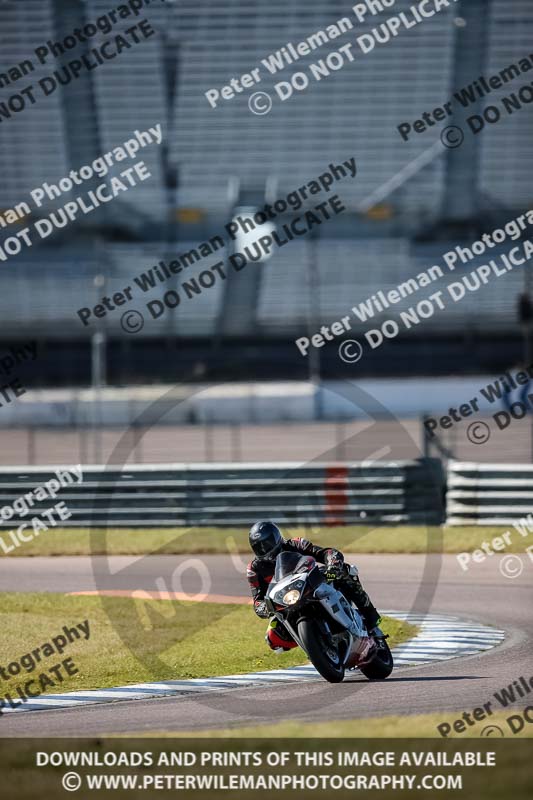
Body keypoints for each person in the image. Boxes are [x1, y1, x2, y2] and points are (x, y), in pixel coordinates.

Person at [247, 520, 384, 652]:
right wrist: (265, 607)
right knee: (272, 637)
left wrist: (333, 564)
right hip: (286, 602)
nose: (265, 549)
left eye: (267, 543)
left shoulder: (296, 544)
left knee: (346, 572)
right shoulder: (254, 569)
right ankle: (315, 646)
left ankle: (372, 621)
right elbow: (257, 600)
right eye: (259, 547)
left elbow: (325, 553)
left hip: (310, 584)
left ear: (276, 538)